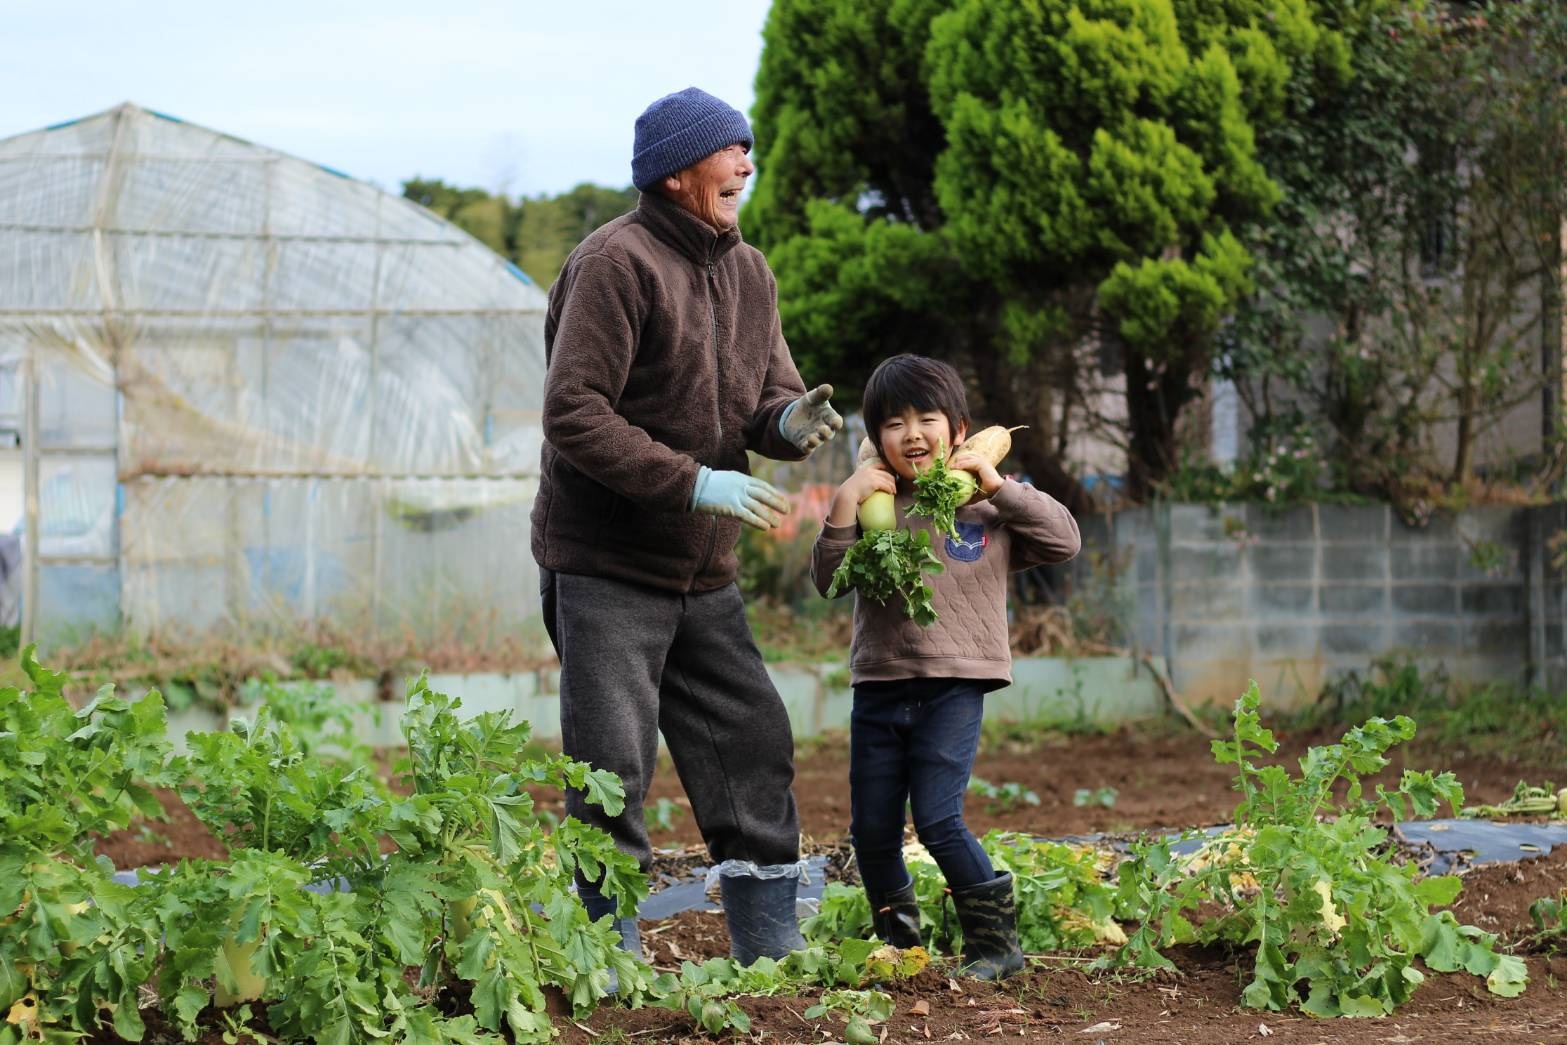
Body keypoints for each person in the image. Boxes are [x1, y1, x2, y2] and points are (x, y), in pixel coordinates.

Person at [531, 86, 844, 970]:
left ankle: (768, 943)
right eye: (731, 149)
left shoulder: (748, 271)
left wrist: (784, 425)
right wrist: (691, 482)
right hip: (607, 563)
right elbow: (574, 412)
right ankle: (608, 955)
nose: (748, 162)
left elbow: (766, 396)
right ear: (676, 173)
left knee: (751, 743)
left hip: (703, 570)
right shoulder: (614, 264)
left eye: (749, 146)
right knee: (611, 771)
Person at [809, 354, 1080, 980]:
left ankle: (996, 947)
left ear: (957, 429)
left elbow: (1064, 540)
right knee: (871, 831)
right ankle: (900, 949)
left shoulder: (988, 505)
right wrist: (846, 499)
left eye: (927, 418)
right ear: (874, 439)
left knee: (937, 818)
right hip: (878, 685)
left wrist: (997, 485)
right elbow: (827, 580)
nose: (912, 433)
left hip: (956, 685)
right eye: (894, 422)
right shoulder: (876, 500)